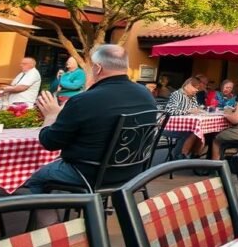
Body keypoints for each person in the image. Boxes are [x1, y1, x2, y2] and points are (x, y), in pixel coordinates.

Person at [22, 44, 157, 193]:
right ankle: (86, 204)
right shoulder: (146, 94)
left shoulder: (84, 100)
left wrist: (51, 116)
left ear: (98, 68)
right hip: (134, 171)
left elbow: (50, 143)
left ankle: (66, 208)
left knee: (37, 179)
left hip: (88, 172)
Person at [163, 78, 205, 159]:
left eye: (198, 88)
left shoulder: (193, 97)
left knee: (200, 132)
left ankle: (192, 155)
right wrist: (188, 111)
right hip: (169, 126)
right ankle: (177, 157)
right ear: (187, 85)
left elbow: (195, 109)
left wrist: (199, 110)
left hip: (185, 126)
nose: (197, 90)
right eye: (195, 87)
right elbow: (169, 111)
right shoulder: (176, 94)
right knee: (189, 133)